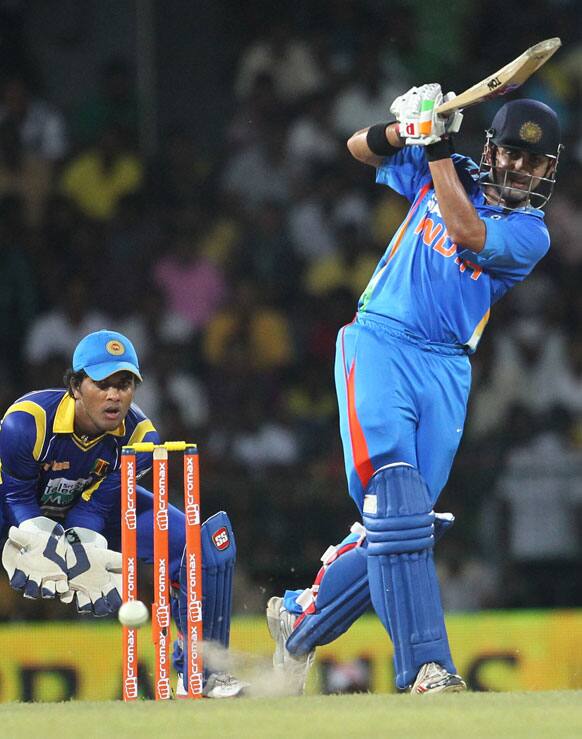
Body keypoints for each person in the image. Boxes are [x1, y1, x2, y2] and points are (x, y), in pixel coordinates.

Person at [266, 87, 562, 695]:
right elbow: (357, 148)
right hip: (380, 342)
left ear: (547, 171)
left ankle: (299, 620)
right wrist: (407, 130)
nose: (516, 167)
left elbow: (465, 229)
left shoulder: (530, 234)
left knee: (404, 525)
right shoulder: (444, 168)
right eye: (509, 153)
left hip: (448, 369)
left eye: (531, 162)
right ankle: (428, 668)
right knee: (397, 498)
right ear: (491, 148)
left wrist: (436, 143)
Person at [0, 329, 245, 698]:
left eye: (125, 383)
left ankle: (202, 672)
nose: (115, 395)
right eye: (102, 383)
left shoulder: (142, 436)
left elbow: (95, 507)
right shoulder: (28, 421)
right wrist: (38, 537)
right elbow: (16, 494)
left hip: (87, 511)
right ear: (75, 386)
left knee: (196, 547)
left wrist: (84, 548)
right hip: (16, 510)